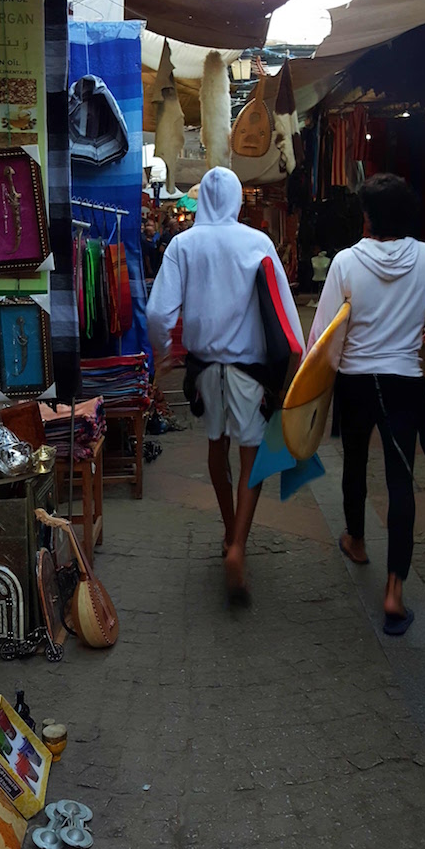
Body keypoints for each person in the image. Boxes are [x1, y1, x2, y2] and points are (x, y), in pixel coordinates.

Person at [308, 173, 425, 636]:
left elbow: (321, 337)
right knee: (401, 480)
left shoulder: (346, 263)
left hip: (356, 383)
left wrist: (308, 389)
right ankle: (395, 590)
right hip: (404, 385)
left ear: (369, 217)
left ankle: (355, 539)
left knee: (354, 463)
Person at [146, 166, 304, 602]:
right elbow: (285, 311)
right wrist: (298, 366)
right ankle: (238, 544)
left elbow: (159, 313)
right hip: (250, 372)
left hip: (204, 371)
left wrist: (161, 350)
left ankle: (228, 528)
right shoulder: (257, 242)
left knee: (217, 447)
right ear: (235, 200)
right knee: (252, 455)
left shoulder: (183, 244)